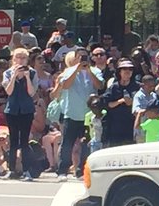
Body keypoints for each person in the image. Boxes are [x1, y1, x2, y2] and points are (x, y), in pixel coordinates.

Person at [52, 48, 98, 179]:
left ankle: (81, 170)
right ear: (76, 58)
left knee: (86, 144)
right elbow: (65, 85)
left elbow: (99, 86)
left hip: (88, 115)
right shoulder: (68, 72)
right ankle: (62, 171)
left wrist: (88, 70)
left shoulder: (94, 71)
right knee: (67, 144)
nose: (82, 59)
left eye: (85, 57)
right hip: (71, 114)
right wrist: (76, 69)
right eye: (80, 57)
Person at [1, 47, 38, 179]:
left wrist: (27, 78)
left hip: (26, 110)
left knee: (24, 142)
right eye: (18, 57)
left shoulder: (32, 73)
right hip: (12, 110)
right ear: (13, 59)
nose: (21, 60)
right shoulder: (7, 73)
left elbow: (32, 93)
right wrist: (14, 76)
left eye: (23, 57)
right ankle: (11, 169)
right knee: (13, 140)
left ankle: (26, 170)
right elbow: (9, 91)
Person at [100, 60, 137, 147]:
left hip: (131, 125)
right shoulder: (114, 87)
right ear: (119, 72)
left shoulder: (137, 86)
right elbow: (106, 104)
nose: (127, 71)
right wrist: (120, 101)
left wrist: (132, 103)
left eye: (130, 69)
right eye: (124, 69)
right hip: (114, 125)